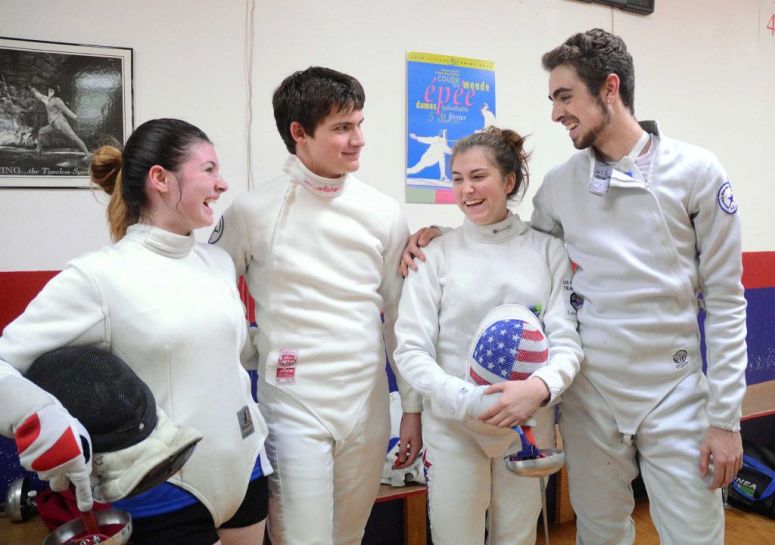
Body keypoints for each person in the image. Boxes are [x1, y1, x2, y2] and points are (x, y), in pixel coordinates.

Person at [401, 28, 747, 545]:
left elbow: (726, 301)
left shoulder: (696, 172)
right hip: (590, 393)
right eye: (553, 100)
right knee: (600, 532)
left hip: (673, 389)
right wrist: (446, 237)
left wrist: (725, 418)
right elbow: (511, 244)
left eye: (565, 97)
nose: (556, 113)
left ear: (609, 88)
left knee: (695, 535)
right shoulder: (561, 183)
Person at [0, 118, 271, 545]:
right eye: (209, 169)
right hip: (164, 491)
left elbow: (227, 357)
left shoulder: (216, 263)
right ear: (160, 179)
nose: (222, 184)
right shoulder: (97, 277)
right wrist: (39, 417)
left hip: (246, 470)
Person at [209, 67, 423, 545]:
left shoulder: (382, 211)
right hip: (293, 404)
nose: (358, 139)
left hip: (367, 405)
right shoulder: (252, 211)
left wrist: (411, 407)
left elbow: (399, 319)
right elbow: (207, 296)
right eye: (342, 128)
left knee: (348, 537)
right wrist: (254, 349)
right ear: (299, 133)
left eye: (359, 124)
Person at [394, 126, 583, 545]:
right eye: (458, 178)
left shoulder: (547, 252)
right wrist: (466, 399)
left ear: (508, 181)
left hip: (529, 421)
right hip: (455, 426)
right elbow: (410, 349)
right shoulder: (434, 254)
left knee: (516, 538)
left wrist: (538, 389)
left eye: (478, 176)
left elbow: (567, 342)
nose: (467, 189)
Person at [29, 85, 90, 156]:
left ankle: (87, 154)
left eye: (51, 91)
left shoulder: (57, 100)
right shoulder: (47, 99)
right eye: (49, 91)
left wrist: (75, 117)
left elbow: (66, 110)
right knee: (41, 131)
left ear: (55, 92)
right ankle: (38, 149)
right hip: (53, 124)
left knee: (74, 138)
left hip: (60, 122)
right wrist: (31, 88)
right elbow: (38, 95)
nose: (49, 93)